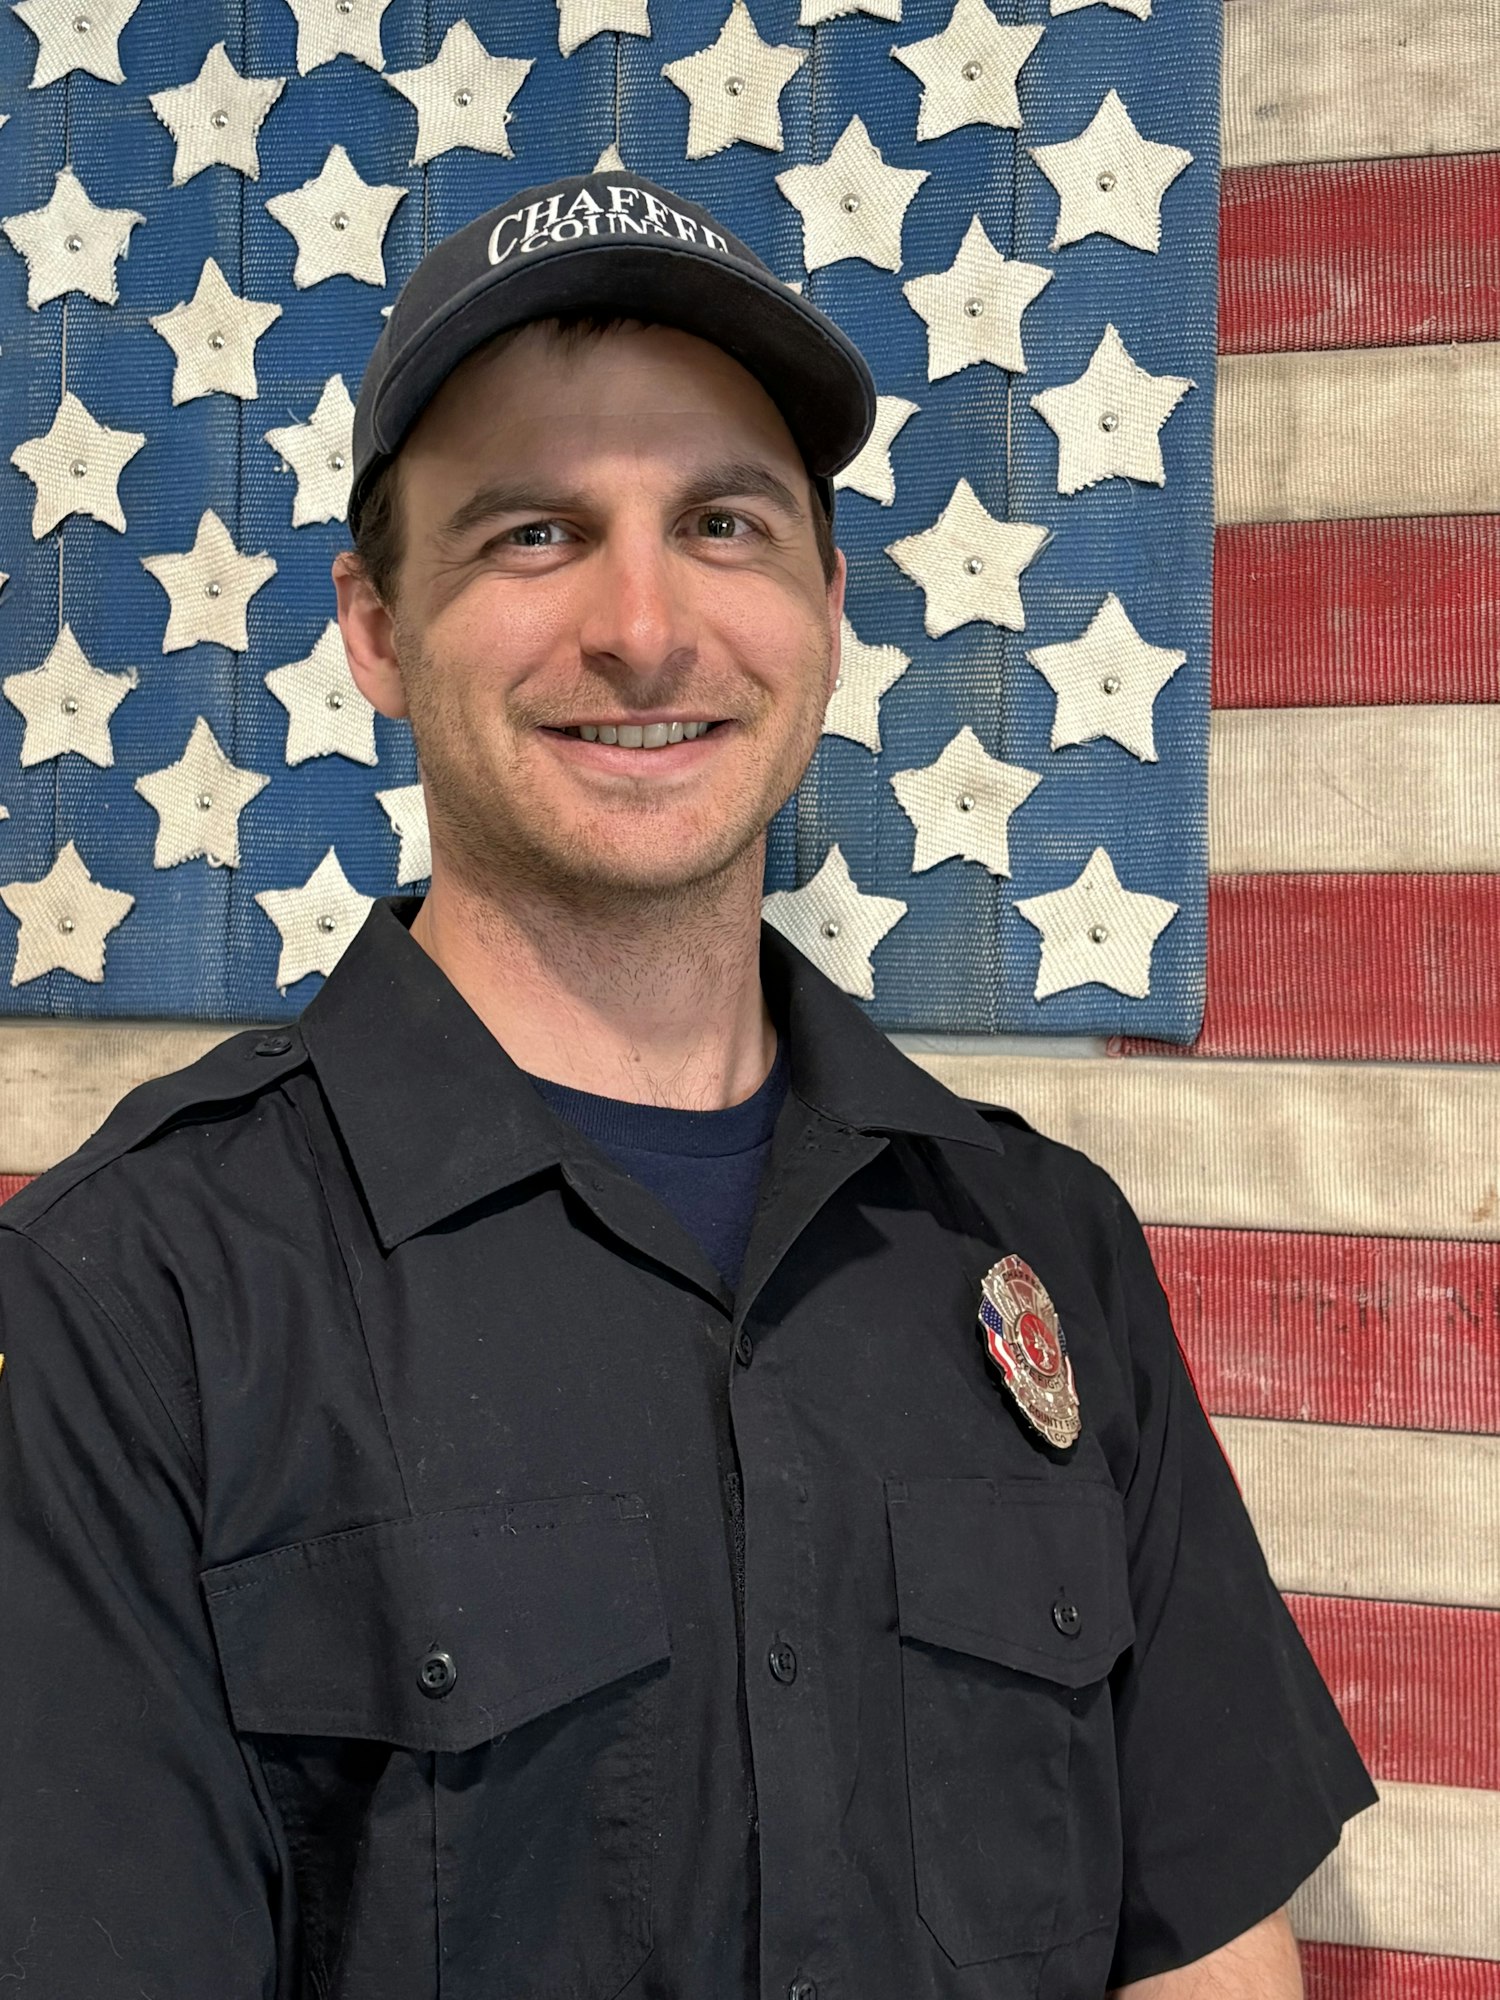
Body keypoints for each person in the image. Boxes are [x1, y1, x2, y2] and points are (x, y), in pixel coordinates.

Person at [0, 171, 1373, 2000]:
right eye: (534, 535)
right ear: (377, 631)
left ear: (827, 597)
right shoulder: (133, 1297)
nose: (646, 630)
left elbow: (1206, 1956)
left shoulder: (1039, 1243)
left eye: (722, 522)